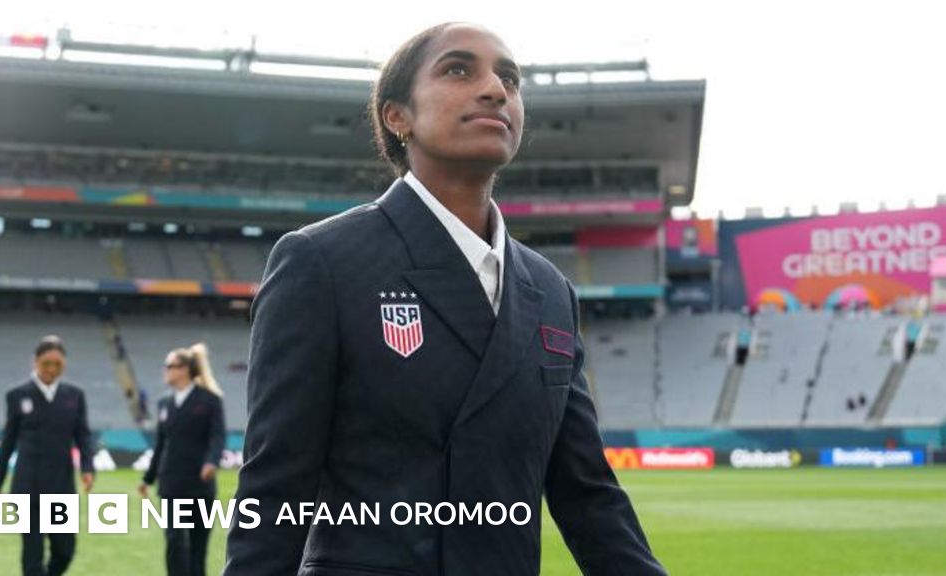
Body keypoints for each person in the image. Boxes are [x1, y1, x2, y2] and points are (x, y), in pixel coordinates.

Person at [224, 22, 666, 576]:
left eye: (510, 79)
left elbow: (588, 494)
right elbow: (274, 489)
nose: (495, 90)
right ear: (397, 116)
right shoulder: (321, 261)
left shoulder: (551, 290)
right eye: (458, 70)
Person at [0, 335, 95, 576]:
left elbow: (83, 436)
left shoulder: (75, 396)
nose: (52, 369)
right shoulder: (17, 395)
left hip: (61, 487)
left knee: (64, 551)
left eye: (58, 364)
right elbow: (7, 444)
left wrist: (88, 467)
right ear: (35, 362)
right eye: (47, 363)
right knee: (33, 559)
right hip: (27, 488)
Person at [140, 343, 226, 576]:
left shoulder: (210, 401)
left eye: (170, 365)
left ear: (185, 369)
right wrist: (148, 479)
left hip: (200, 485)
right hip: (172, 485)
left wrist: (211, 461)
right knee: (175, 541)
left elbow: (217, 436)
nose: (165, 370)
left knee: (198, 549)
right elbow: (160, 446)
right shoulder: (164, 404)